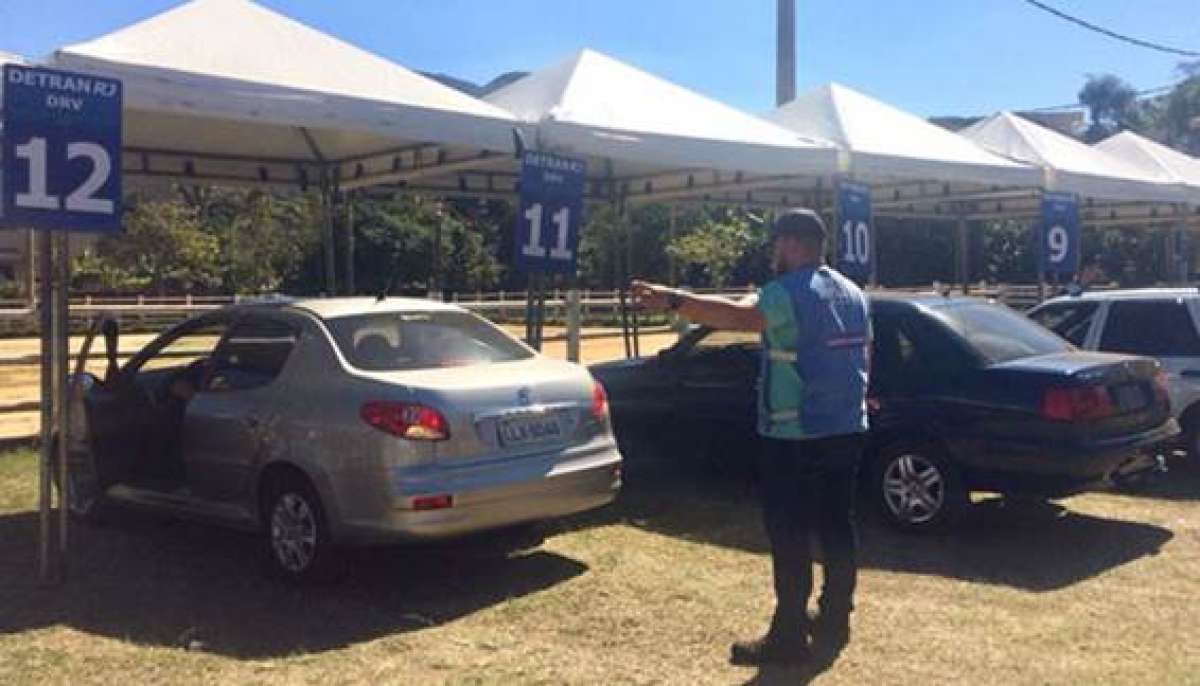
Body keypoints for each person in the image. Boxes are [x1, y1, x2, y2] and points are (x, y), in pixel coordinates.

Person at [631, 208, 870, 667]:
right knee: (838, 526)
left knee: (789, 534)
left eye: (777, 244)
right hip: (845, 428)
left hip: (793, 434)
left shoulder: (785, 293)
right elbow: (866, 355)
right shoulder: (854, 293)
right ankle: (836, 618)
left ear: (793, 244)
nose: (773, 253)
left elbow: (738, 317)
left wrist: (673, 299)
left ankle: (788, 636)